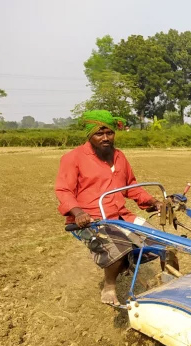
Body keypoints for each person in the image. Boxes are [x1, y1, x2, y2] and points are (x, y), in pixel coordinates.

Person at [55, 110, 163, 306]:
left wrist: (153, 202)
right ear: (89, 135)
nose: (105, 138)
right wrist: (78, 212)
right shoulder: (73, 158)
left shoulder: (119, 157)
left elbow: (132, 186)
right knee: (118, 248)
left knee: (160, 242)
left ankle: (130, 267)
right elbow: (63, 190)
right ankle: (110, 286)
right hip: (93, 219)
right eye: (99, 134)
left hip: (121, 215)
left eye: (109, 133)